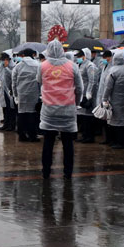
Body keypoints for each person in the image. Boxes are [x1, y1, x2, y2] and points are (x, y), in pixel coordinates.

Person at [36, 40, 83, 179]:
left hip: (49, 110)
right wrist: (76, 102)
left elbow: (39, 81)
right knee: (68, 143)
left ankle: (46, 172)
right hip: (67, 109)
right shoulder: (72, 66)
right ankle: (67, 173)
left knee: (48, 143)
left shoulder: (42, 66)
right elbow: (79, 88)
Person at [102, 49, 124, 149]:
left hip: (115, 100)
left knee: (116, 122)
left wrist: (104, 98)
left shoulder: (113, 71)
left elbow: (108, 87)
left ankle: (119, 142)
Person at [12, 48, 40, 142]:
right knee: (32, 114)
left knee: (21, 114)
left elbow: (14, 82)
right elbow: (41, 81)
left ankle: (22, 135)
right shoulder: (38, 65)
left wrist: (15, 94)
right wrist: (40, 94)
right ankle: (32, 135)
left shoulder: (18, 66)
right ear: (32, 54)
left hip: (21, 93)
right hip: (34, 93)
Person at [74, 48, 99, 143]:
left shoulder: (90, 66)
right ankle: (85, 135)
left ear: (85, 56)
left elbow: (92, 81)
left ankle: (89, 137)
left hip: (88, 95)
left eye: (80, 56)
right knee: (83, 117)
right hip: (81, 94)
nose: (78, 58)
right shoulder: (79, 65)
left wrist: (89, 93)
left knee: (88, 117)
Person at [95, 50, 113, 144]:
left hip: (108, 96)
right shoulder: (104, 66)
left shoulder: (112, 67)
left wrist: (105, 97)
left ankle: (110, 139)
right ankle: (106, 139)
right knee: (104, 119)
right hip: (102, 94)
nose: (104, 59)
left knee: (109, 120)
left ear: (110, 57)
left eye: (106, 58)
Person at [0, 53, 17, 131]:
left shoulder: (14, 66)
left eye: (4, 60)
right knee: (5, 108)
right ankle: (6, 124)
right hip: (3, 90)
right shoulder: (1, 66)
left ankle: (11, 125)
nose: (3, 61)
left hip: (10, 90)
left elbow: (13, 76)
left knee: (11, 109)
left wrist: (6, 68)